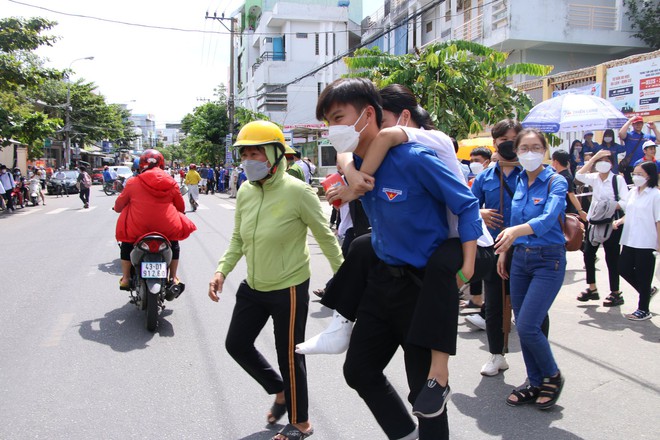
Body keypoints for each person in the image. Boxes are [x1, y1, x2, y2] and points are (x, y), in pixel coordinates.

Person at [313, 78, 483, 439]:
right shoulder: (357, 165)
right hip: (381, 283)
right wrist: (348, 176)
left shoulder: (415, 158)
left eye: (339, 117)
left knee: (424, 392)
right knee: (358, 371)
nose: (333, 129)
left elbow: (466, 204)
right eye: (328, 122)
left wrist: (467, 266)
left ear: (368, 114)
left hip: (421, 290)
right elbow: (347, 162)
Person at [208, 121, 343, 440]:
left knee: (289, 354)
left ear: (274, 153)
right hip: (254, 287)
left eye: (257, 152)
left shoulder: (298, 191)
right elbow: (238, 238)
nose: (249, 159)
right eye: (245, 154)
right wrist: (221, 270)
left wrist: (346, 280)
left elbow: (326, 237)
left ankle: (300, 422)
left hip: (289, 288)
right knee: (236, 344)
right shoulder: (244, 190)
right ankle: (279, 391)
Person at [495, 128, 567, 410]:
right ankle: (534, 381)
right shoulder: (521, 182)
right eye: (523, 148)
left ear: (545, 149)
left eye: (535, 147)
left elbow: (549, 218)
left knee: (527, 325)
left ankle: (552, 375)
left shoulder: (555, 181)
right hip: (520, 259)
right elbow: (514, 220)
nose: (529, 153)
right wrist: (505, 251)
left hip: (549, 259)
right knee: (523, 325)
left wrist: (514, 232)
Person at [467, 119, 527, 375]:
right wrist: (480, 212)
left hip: (526, 249)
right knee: (493, 306)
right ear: (495, 143)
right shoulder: (484, 177)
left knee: (527, 308)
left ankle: (536, 363)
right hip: (493, 249)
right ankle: (496, 355)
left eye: (513, 140)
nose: (508, 145)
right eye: (503, 141)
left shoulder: (532, 173)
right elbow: (467, 207)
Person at [114, 149, 197, 290]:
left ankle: (126, 278)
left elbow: (118, 206)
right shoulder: (171, 182)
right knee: (174, 244)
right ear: (162, 164)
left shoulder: (132, 182)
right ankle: (173, 277)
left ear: (141, 165)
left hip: (138, 229)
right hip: (166, 229)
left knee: (127, 244)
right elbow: (181, 207)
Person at [575, 150, 628, 306]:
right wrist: (594, 158)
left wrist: (609, 207)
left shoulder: (617, 180)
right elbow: (579, 176)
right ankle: (592, 288)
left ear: (612, 163)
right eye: (600, 160)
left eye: (606, 160)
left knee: (612, 258)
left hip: (612, 224)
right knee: (589, 255)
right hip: (595, 223)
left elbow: (626, 201)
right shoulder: (594, 178)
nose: (602, 163)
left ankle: (615, 292)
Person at [613, 161, 660, 321]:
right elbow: (631, 213)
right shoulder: (633, 192)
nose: (636, 177)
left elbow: (658, 221)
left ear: (649, 176)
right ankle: (646, 291)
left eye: (640, 174)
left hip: (647, 241)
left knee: (644, 274)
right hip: (629, 238)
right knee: (623, 268)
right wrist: (620, 221)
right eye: (634, 173)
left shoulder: (655, 195)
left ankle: (643, 309)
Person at [618, 116, 659, 183]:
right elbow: (621, 134)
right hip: (630, 166)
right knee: (631, 187)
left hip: (644, 165)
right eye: (636, 123)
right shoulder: (629, 135)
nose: (638, 125)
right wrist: (629, 121)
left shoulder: (647, 136)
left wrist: (654, 128)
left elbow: (659, 140)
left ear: (642, 124)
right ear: (633, 124)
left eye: (640, 123)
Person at [551, 150, 587, 219]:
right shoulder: (564, 175)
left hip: (567, 211)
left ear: (555, 162)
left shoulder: (564, 177)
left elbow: (571, 195)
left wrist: (580, 211)